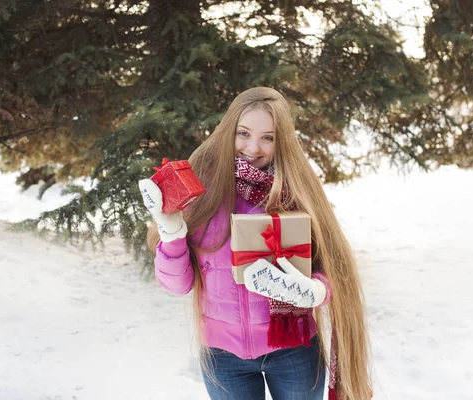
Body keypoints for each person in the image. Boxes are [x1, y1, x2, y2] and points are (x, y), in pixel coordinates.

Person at [139, 87, 371, 400]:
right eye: (244, 133)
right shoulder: (200, 192)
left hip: (294, 352)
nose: (253, 147)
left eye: (268, 137)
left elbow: (332, 269)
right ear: (228, 131)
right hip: (224, 357)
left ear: (282, 141)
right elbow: (178, 285)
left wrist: (316, 290)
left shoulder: (297, 192)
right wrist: (172, 234)